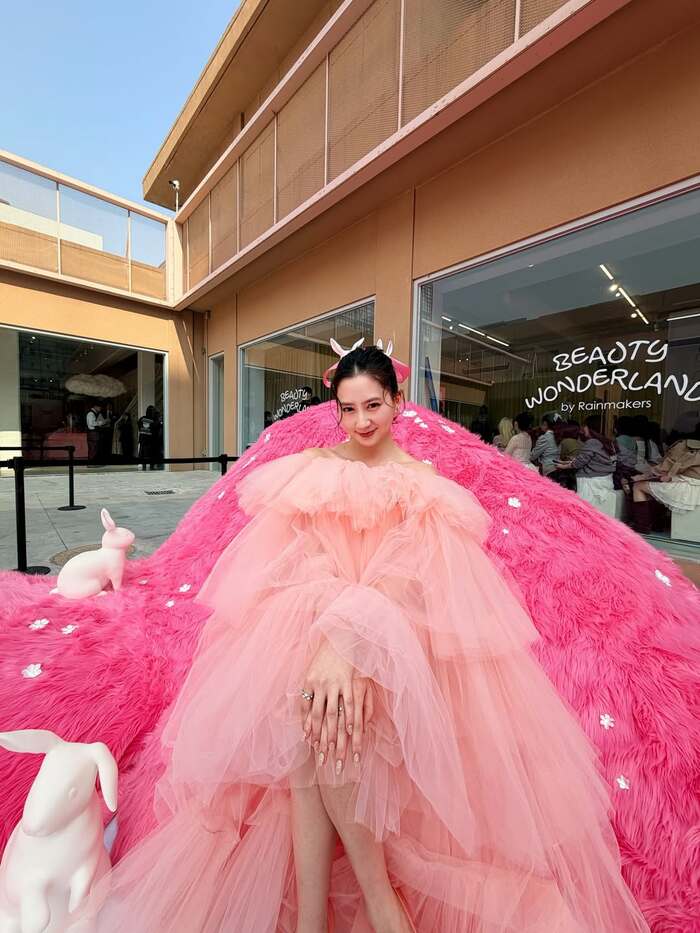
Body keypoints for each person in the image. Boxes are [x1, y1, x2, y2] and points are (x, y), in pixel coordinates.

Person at [77, 341, 650, 933]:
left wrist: (349, 642)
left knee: (330, 720)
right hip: (304, 623)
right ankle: (338, 913)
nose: (361, 422)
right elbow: (289, 561)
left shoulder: (422, 483)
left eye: (372, 405)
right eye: (347, 409)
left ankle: (366, 904)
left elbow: (413, 579)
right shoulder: (313, 468)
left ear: (398, 402)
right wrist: (329, 636)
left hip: (397, 638)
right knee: (313, 716)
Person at [630, 431, 700, 534]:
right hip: (694, 486)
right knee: (657, 488)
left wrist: (644, 476)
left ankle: (642, 526)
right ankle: (657, 524)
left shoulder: (685, 445)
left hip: (687, 488)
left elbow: (665, 467)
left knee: (638, 486)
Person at [554, 416, 616, 509]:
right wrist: (569, 462)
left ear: (590, 427)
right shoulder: (605, 442)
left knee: (585, 509)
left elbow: (580, 462)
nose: (583, 429)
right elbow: (592, 460)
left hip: (592, 483)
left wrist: (563, 466)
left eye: (585, 426)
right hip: (603, 480)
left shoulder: (592, 442)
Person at [137, 405, 162, 470]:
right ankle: (151, 467)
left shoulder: (142, 419)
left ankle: (145, 467)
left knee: (144, 456)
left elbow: (139, 427)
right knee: (151, 455)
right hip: (150, 442)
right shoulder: (153, 420)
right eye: (153, 411)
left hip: (144, 441)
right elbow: (155, 429)